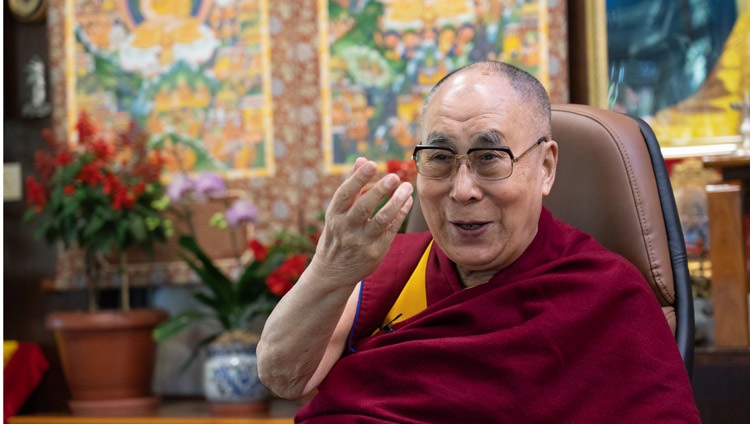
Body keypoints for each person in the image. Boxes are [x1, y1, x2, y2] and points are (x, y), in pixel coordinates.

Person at [257, 61, 701, 423]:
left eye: (490, 157)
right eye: (440, 158)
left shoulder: (606, 295)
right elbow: (284, 377)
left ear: (545, 168)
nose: (462, 189)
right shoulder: (395, 267)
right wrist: (330, 271)